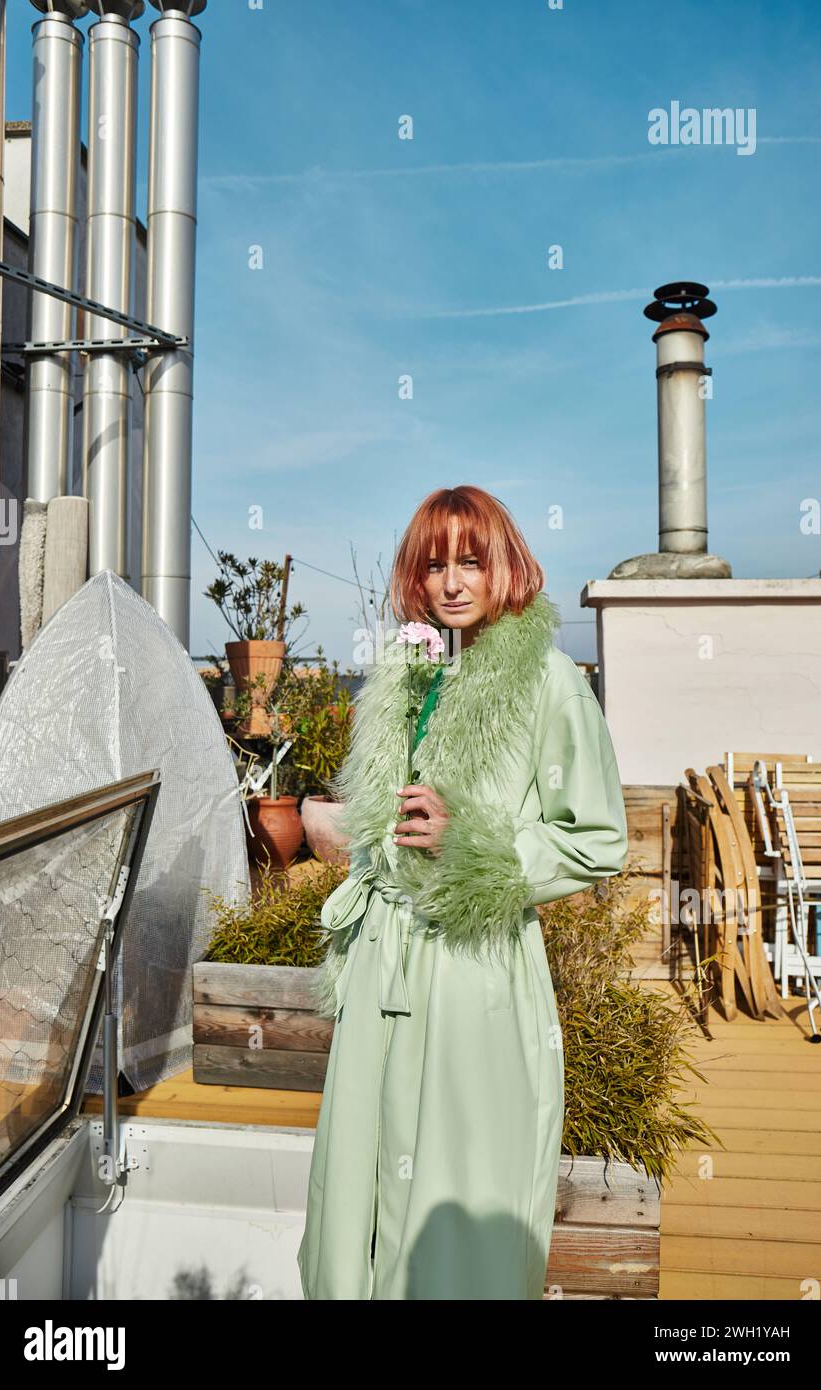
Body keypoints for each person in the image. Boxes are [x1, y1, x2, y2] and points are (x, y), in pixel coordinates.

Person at [297, 484, 628, 1300]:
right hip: (380, 969)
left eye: (470, 561)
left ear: (503, 566)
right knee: (356, 1197)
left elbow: (599, 838)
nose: (451, 582)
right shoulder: (406, 676)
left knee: (455, 1199)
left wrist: (475, 847)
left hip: (472, 971)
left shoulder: (548, 681)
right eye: (434, 563)